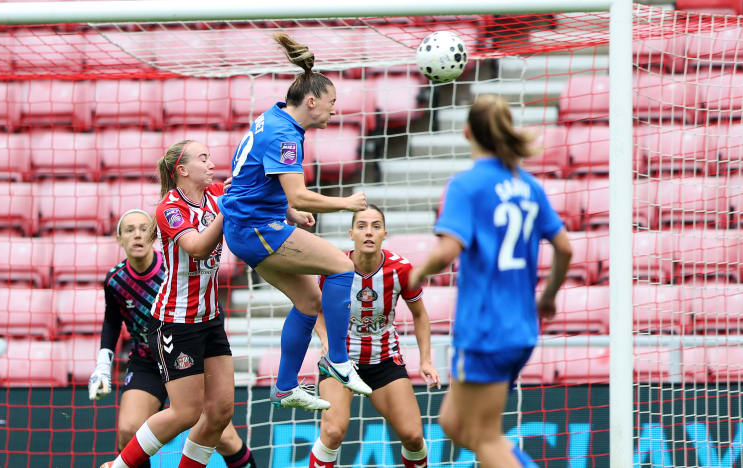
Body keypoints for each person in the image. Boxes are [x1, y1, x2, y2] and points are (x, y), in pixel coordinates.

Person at [408, 94, 573, 468]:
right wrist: (548, 296)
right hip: (520, 328)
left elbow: (448, 250)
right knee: (453, 424)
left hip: (485, 330)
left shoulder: (467, 186)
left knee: (484, 437)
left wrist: (418, 272)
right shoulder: (528, 186)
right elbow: (565, 247)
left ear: (467, 132)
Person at [219, 32, 371, 411]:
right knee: (342, 267)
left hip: (247, 225)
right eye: (332, 103)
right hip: (256, 229)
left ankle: (286, 387)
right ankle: (338, 360)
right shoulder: (285, 136)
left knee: (308, 301)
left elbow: (255, 178)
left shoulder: (272, 117)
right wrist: (347, 203)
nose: (334, 111)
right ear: (312, 101)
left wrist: (287, 210)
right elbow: (299, 194)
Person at [101, 140, 236, 468]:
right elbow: (198, 248)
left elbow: (248, 196)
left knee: (220, 413)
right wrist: (228, 210)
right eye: (203, 158)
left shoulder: (215, 194)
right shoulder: (169, 208)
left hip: (210, 319)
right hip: (176, 322)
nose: (211, 164)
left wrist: (287, 209)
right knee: (186, 413)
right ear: (183, 170)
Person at [89, 208, 256, 468]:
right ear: (119, 239)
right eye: (129, 230)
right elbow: (112, 321)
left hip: (188, 357)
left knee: (223, 437)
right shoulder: (115, 280)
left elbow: (209, 308)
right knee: (128, 429)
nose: (137, 235)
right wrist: (103, 364)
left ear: (153, 236)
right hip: (147, 360)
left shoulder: (173, 271)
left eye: (144, 229)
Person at [308, 206, 441, 468]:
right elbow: (314, 308)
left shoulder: (401, 269)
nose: (369, 232)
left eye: (376, 226)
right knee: (332, 432)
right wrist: (326, 341)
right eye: (362, 226)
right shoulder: (333, 267)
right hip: (341, 361)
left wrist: (425, 360)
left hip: (384, 360)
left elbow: (420, 315)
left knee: (413, 437)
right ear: (351, 234)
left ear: (384, 234)